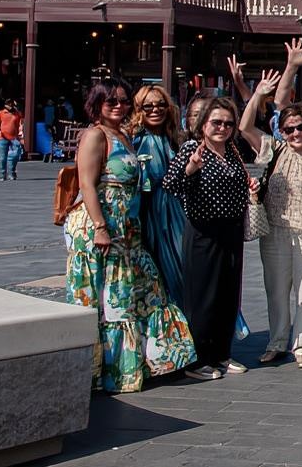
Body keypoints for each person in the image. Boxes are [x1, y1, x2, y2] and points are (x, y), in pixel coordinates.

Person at [64, 78, 195, 391]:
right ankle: (106, 372)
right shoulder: (95, 135)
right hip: (102, 226)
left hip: (128, 228)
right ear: (97, 104)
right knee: (111, 300)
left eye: (124, 101)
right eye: (111, 101)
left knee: (139, 293)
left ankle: (135, 365)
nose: (119, 106)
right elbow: (86, 184)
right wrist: (100, 228)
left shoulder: (123, 133)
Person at [238, 72, 302, 369]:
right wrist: (258, 94)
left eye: (300, 127)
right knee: (276, 290)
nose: (294, 134)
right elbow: (244, 127)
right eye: (288, 129)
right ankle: (277, 341)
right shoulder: (274, 149)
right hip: (276, 231)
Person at [162, 96, 252, 380]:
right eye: (216, 122)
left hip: (232, 230)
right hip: (203, 230)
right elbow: (170, 184)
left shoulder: (233, 151)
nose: (222, 128)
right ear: (203, 125)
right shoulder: (192, 148)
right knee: (203, 296)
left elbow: (237, 185)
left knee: (228, 294)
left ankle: (222, 354)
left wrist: (252, 186)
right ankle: (198, 359)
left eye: (228, 123)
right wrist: (190, 169)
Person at [129, 85, 188, 309]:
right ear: (139, 109)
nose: (156, 109)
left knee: (182, 271)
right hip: (147, 214)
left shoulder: (176, 138)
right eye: (148, 106)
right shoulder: (133, 139)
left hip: (176, 214)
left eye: (161, 104)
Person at [0, 99, 23, 181]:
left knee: (16, 155)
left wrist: (20, 133)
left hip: (14, 137)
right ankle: (3, 174)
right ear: (6, 105)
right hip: (2, 138)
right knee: (2, 157)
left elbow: (21, 122)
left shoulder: (16, 113)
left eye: (12, 105)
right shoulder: (1, 113)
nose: (11, 106)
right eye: (9, 104)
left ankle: (12, 172)